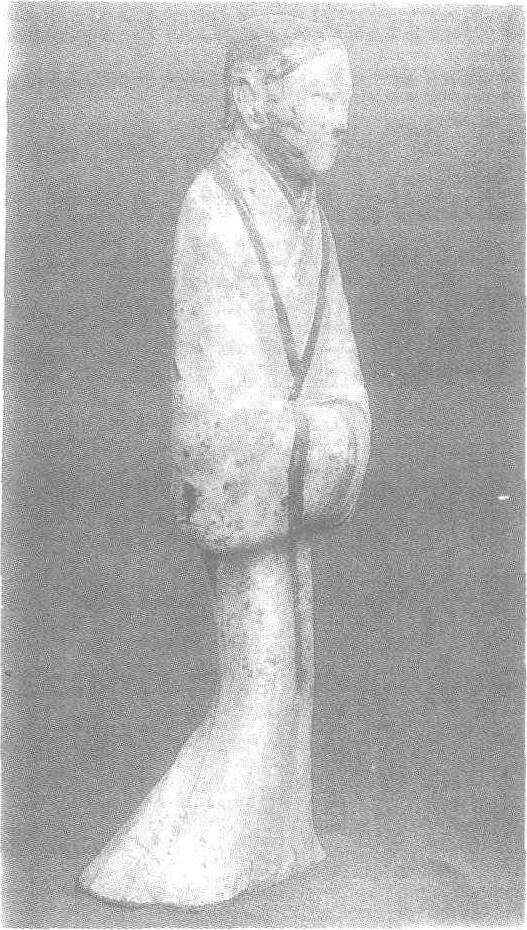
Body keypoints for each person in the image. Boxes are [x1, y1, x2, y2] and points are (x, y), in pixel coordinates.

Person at [79, 14, 371, 907]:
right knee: (263, 674)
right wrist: (317, 435)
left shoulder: (307, 214)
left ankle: (270, 840)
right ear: (251, 99)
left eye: (345, 99)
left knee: (293, 671)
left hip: (283, 476)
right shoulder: (213, 208)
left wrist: (328, 426)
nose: (341, 119)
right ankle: (192, 856)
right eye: (323, 97)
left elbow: (335, 366)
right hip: (252, 484)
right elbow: (222, 399)